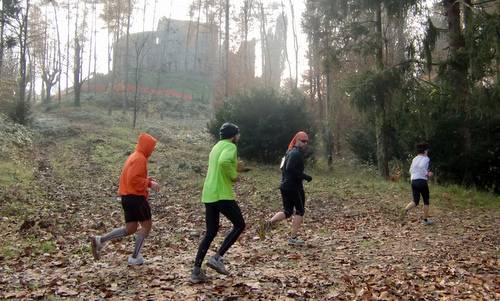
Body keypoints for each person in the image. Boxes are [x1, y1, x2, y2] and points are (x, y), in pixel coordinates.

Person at [90, 133, 160, 265]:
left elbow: (134, 178)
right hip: (136, 198)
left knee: (131, 228)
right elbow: (134, 180)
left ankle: (100, 240)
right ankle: (135, 257)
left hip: (126, 197)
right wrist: (150, 184)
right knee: (146, 226)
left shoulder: (133, 156)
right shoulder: (140, 159)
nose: (153, 150)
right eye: (152, 147)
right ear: (146, 146)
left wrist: (147, 181)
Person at [190, 122, 246, 284]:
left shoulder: (216, 147)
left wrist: (236, 167)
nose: (239, 137)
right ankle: (217, 257)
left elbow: (221, 163)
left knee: (211, 231)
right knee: (240, 224)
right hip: (222, 194)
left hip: (209, 193)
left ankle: (196, 271)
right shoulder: (230, 147)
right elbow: (224, 163)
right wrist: (234, 175)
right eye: (238, 134)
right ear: (233, 135)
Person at [262, 131, 312, 246]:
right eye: (302, 141)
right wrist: (305, 176)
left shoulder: (289, 152)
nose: (305, 143)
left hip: (284, 186)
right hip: (294, 187)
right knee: (300, 210)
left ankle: (268, 223)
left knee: (287, 211)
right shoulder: (295, 154)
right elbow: (290, 169)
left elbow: (282, 168)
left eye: (306, 141)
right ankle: (293, 238)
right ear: (296, 140)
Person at [402, 142, 434, 225]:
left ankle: (404, 211)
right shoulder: (426, 158)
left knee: (415, 201)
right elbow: (421, 166)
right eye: (427, 150)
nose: (427, 152)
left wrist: (415, 175)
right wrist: (427, 173)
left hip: (413, 181)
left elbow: (410, 170)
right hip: (421, 181)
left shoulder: (415, 158)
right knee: (426, 201)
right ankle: (425, 220)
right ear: (425, 151)